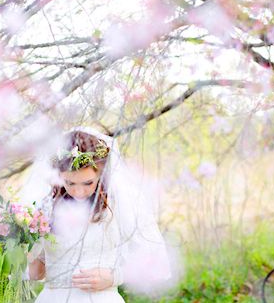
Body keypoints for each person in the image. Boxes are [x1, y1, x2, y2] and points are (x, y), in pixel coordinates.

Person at [22, 126, 174, 303]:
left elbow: (151, 256)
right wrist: (18, 247)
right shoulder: (45, 209)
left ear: (101, 174)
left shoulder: (115, 206)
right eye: (70, 183)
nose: (78, 191)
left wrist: (114, 277)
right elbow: (36, 271)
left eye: (87, 183)